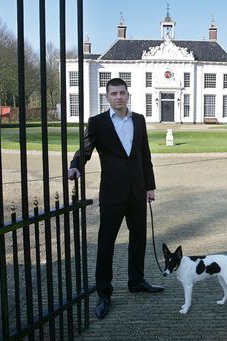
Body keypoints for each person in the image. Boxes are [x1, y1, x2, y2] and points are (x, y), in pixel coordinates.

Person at [68, 77, 163, 320]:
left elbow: (145, 156)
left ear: (127, 94)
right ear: (107, 97)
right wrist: (76, 165)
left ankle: (136, 280)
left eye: (122, 93)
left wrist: (150, 186)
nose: (118, 97)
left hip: (137, 191)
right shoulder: (98, 123)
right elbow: (85, 148)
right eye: (113, 94)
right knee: (106, 243)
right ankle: (104, 291)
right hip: (111, 192)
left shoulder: (139, 120)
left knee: (139, 238)